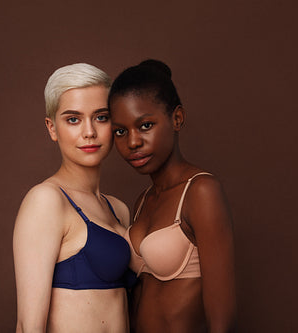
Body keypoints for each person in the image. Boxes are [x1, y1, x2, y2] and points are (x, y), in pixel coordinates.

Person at [108, 59, 236, 332]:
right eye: (120, 131)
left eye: (145, 126)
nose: (132, 142)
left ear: (176, 118)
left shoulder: (201, 191)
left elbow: (221, 320)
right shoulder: (143, 200)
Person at [13, 63, 132, 333]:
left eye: (101, 117)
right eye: (73, 119)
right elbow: (28, 326)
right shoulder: (46, 200)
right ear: (52, 128)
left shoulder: (118, 209)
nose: (89, 131)